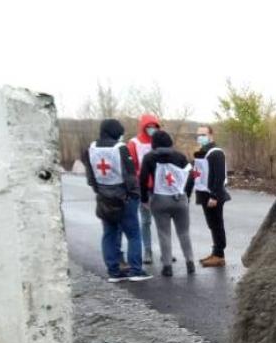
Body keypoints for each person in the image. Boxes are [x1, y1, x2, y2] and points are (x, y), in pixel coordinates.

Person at [83, 119, 151, 283]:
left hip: (104, 197)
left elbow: (90, 176)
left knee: (109, 233)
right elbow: (130, 175)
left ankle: (113, 272)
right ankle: (136, 270)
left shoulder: (90, 149)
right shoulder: (120, 148)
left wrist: (100, 191)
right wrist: (135, 194)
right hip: (124, 197)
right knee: (133, 234)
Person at [138, 129, 196, 277]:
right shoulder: (180, 156)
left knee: (164, 233)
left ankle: (167, 266)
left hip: (159, 199)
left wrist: (144, 198)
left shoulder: (149, 157)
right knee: (184, 232)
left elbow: (143, 179)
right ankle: (190, 262)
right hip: (179, 198)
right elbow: (192, 175)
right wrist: (186, 194)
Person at [186, 124, 231, 268]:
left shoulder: (216, 152)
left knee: (217, 224)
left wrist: (214, 196)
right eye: (198, 135)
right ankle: (215, 252)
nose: (201, 137)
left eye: (203, 134)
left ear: (211, 135)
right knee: (212, 225)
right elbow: (194, 174)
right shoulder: (202, 152)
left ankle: (219, 255)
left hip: (213, 195)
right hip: (204, 195)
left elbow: (219, 176)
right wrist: (187, 193)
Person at [128, 114, 161, 264]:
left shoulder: (160, 141)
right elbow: (131, 166)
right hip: (144, 188)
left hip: (161, 187)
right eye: (149, 126)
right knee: (146, 221)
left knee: (162, 221)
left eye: (154, 126)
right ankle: (147, 251)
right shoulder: (134, 143)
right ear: (143, 127)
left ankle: (165, 250)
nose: (152, 129)